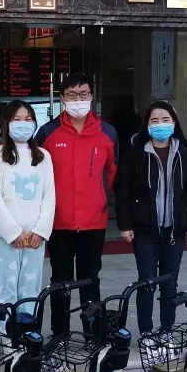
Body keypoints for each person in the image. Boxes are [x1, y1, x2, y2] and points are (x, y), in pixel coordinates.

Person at [34, 73, 118, 336]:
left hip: (94, 221)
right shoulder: (47, 133)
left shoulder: (107, 132)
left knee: (90, 279)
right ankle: (60, 334)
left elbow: (112, 172)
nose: (78, 99)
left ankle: (93, 333)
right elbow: (37, 175)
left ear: (91, 96)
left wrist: (98, 199)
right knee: (60, 280)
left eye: (83, 94)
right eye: (71, 94)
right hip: (58, 221)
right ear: (62, 98)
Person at [115, 100, 187, 335]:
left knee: (169, 283)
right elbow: (123, 191)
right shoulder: (136, 154)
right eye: (155, 120)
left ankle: (166, 331)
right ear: (147, 125)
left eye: (165, 120)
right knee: (147, 282)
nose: (160, 124)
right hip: (144, 229)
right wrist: (125, 224)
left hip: (175, 229)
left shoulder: (184, 154)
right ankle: (146, 332)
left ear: (174, 123)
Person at [0, 100, 55, 331]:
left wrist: (40, 231)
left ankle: (27, 337)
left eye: (28, 119)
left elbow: (49, 195)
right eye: (17, 119)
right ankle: (8, 340)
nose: (23, 124)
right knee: (6, 290)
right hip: (5, 237)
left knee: (30, 289)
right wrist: (12, 232)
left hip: (35, 237)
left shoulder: (43, 156)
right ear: (6, 123)